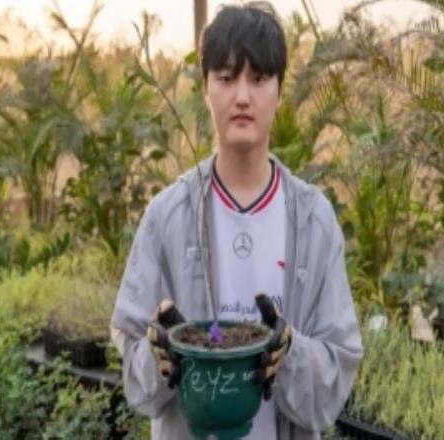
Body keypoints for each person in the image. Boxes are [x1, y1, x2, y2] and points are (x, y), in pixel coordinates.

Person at [110, 2, 363, 439]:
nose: (242, 96)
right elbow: (134, 370)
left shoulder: (313, 222)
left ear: (279, 90)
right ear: (206, 88)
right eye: (226, 78)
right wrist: (161, 357)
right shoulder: (167, 217)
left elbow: (338, 368)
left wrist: (290, 351)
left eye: (259, 78)